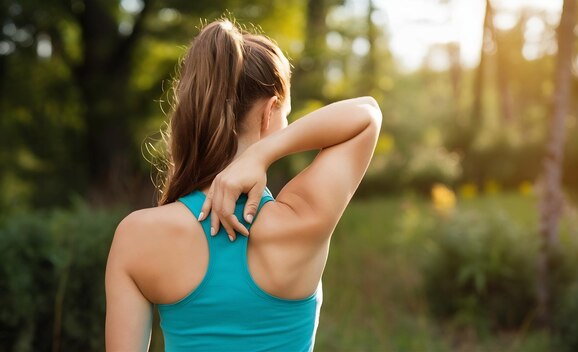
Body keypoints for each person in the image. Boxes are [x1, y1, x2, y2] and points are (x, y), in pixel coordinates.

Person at [105, 18, 381, 352]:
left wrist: (255, 154)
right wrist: (262, 154)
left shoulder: (137, 235)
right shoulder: (298, 220)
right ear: (269, 113)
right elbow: (367, 114)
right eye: (286, 115)